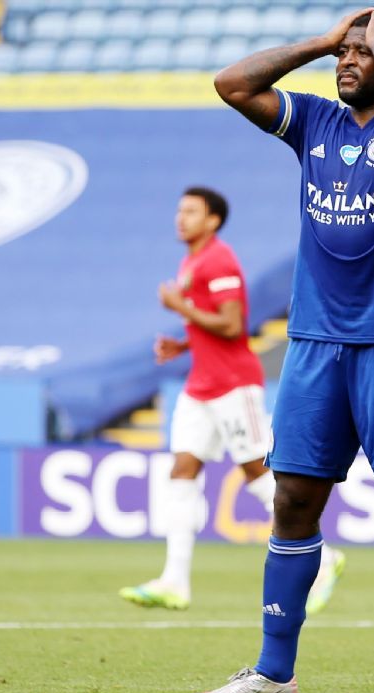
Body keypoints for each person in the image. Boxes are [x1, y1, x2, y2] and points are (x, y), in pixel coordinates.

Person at [193, 8, 374, 693]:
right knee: (291, 500)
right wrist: (323, 41)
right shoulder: (315, 121)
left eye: (361, 52)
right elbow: (231, 84)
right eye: (341, 54)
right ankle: (273, 671)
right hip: (314, 343)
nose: (347, 61)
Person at [120, 186, 345, 614]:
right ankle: (174, 580)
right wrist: (184, 344)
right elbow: (211, 327)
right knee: (182, 470)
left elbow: (231, 325)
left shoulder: (218, 260)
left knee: (257, 472)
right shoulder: (192, 262)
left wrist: (181, 307)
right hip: (200, 385)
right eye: (179, 210)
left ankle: (324, 558)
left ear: (213, 221)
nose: (180, 218)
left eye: (191, 211)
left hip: (232, 385)